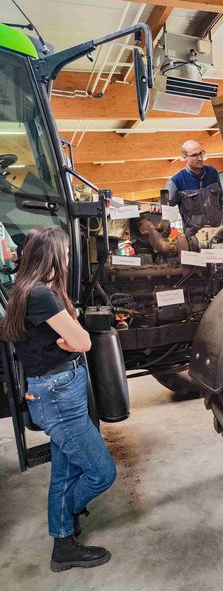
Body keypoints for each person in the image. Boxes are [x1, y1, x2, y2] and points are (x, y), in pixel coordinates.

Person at [3, 226, 116, 572]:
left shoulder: (28, 291)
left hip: (55, 390)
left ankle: (63, 544)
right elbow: (82, 342)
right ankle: (62, 518)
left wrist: (70, 337)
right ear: (52, 256)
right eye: (65, 253)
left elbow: (71, 339)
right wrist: (72, 338)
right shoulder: (42, 296)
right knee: (101, 472)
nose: (68, 259)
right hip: (58, 394)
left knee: (64, 472)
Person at [166, 139, 223, 236]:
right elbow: (167, 212)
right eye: (194, 155)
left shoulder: (212, 173)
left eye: (201, 153)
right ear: (184, 157)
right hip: (194, 239)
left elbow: (220, 201)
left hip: (218, 233)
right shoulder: (175, 182)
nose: (200, 158)